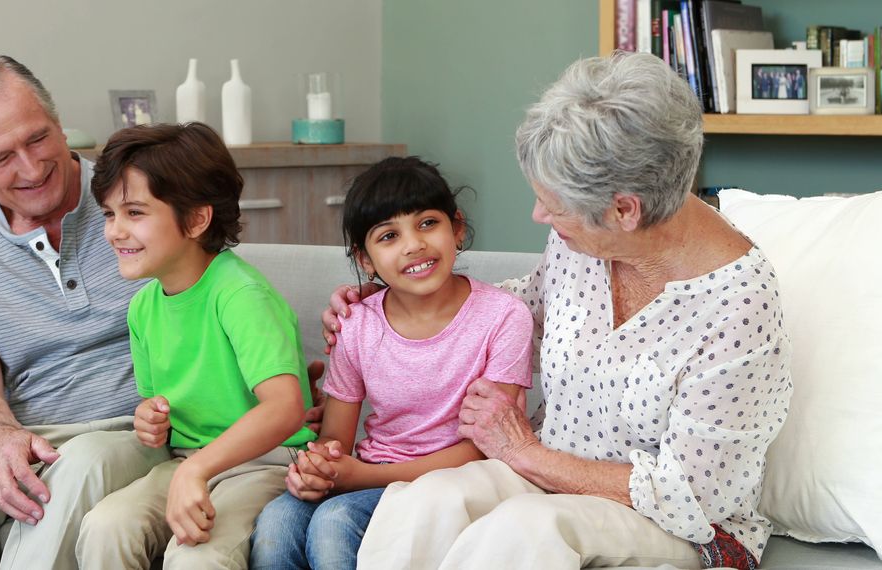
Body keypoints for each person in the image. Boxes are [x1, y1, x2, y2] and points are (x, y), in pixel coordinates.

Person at [325, 52, 792, 570]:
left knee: (525, 531)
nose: (539, 215)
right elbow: (527, 309)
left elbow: (697, 495)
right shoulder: (581, 243)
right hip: (543, 472)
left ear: (624, 210)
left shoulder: (737, 306)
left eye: (556, 206)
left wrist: (527, 454)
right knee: (430, 502)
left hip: (677, 524)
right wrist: (394, 306)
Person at [0, 55, 324, 570]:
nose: (31, 166)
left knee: (83, 463)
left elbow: (221, 291)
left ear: (59, 125)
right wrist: (0, 442)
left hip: (124, 438)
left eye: (38, 138)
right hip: (33, 435)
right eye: (1, 158)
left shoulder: (135, 194)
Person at [249, 157, 533, 570]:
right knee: (277, 521)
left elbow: (487, 448)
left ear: (456, 228)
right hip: (371, 470)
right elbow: (336, 439)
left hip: (455, 481)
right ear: (365, 259)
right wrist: (318, 468)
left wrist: (358, 477)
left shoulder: (503, 317)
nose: (413, 244)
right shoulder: (357, 323)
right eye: (388, 236)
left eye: (427, 223)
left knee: (335, 521)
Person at [74, 122, 319, 569]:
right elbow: (157, 401)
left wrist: (197, 469)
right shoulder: (143, 307)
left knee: (197, 559)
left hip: (264, 464)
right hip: (190, 462)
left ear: (196, 219)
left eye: (135, 213)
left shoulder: (240, 294)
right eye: (109, 214)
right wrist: (150, 419)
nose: (114, 231)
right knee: (105, 527)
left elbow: (285, 408)